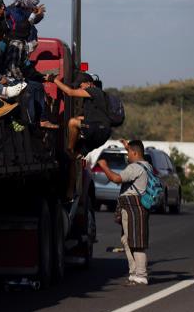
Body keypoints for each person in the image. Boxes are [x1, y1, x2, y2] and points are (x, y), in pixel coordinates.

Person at [95, 139, 152, 285]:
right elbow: (135, 153)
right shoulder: (146, 165)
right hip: (135, 206)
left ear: (135, 153)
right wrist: (128, 146)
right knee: (127, 240)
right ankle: (134, 273)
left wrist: (104, 166)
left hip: (133, 207)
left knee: (136, 242)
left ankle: (141, 275)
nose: (127, 156)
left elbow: (116, 179)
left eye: (129, 153)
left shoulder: (135, 168)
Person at [53, 72, 111, 158]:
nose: (79, 89)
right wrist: (63, 125)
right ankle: (73, 156)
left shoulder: (93, 91)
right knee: (75, 155)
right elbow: (89, 117)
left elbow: (70, 92)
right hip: (102, 132)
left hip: (98, 129)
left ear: (89, 83)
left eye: (80, 86)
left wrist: (54, 80)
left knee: (73, 122)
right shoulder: (96, 99)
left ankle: (69, 149)